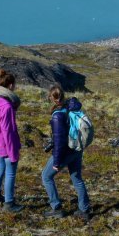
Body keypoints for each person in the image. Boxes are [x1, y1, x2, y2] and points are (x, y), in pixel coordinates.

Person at [41, 85, 91, 220]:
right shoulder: (71, 107)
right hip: (76, 149)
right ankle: (84, 209)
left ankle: (56, 207)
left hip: (65, 151)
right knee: (77, 178)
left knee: (46, 176)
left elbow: (59, 141)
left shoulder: (57, 115)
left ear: (52, 98)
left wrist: (57, 162)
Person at [0, 68, 23, 213]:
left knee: (0, 168)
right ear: (11, 85)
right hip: (6, 145)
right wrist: (13, 152)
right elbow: (8, 131)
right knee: (10, 173)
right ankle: (9, 203)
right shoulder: (7, 106)